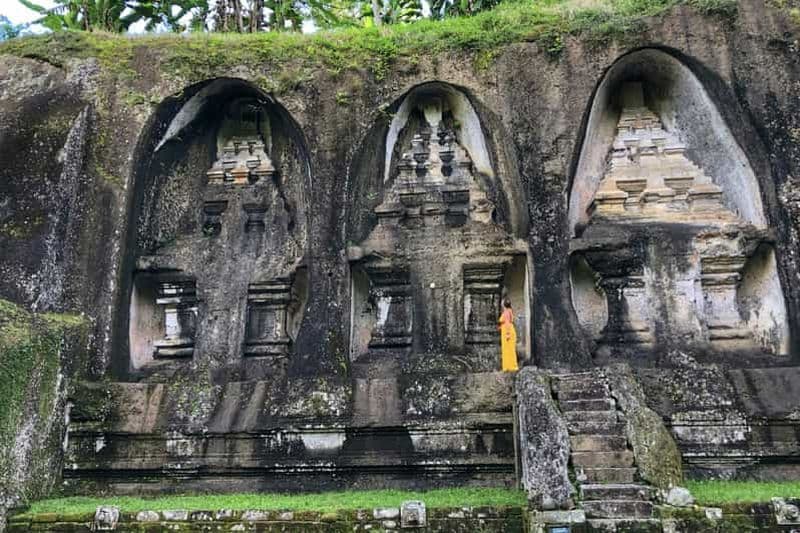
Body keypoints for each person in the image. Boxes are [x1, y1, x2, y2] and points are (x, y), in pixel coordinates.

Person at [498, 299, 518, 372]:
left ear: (503, 304)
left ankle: (509, 366)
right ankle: (510, 366)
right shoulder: (509, 311)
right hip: (508, 330)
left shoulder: (506, 312)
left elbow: (507, 323)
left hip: (507, 331)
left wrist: (507, 334)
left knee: (508, 350)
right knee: (510, 349)